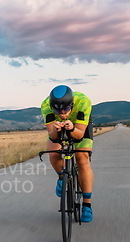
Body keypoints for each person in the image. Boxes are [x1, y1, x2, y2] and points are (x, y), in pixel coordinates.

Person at [41, 85, 94, 222]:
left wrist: (71, 128)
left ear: (72, 104)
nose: (62, 113)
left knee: (82, 158)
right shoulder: (46, 105)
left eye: (66, 109)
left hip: (79, 127)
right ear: (52, 106)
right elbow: (52, 136)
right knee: (53, 152)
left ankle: (87, 205)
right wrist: (56, 130)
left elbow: (79, 135)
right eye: (57, 110)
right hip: (59, 129)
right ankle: (61, 176)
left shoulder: (83, 102)